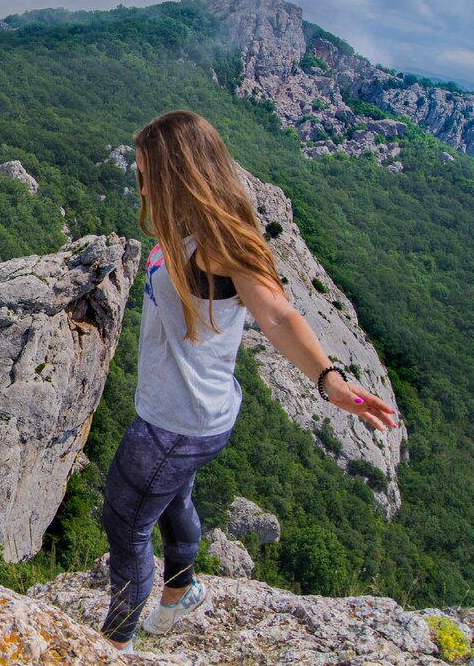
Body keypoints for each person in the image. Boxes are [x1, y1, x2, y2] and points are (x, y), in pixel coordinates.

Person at [100, 110, 398, 652]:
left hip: (174, 422)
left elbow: (279, 316)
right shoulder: (187, 230)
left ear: (177, 174)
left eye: (146, 174)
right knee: (172, 501)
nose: (139, 184)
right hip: (201, 415)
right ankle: (180, 593)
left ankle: (115, 643)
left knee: (124, 524)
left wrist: (329, 379)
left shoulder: (218, 244)